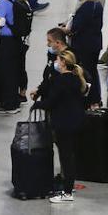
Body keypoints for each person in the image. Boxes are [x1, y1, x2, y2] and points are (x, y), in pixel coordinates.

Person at [34, 50, 88, 203]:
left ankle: (67, 192)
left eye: (58, 59)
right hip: (76, 121)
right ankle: (69, 188)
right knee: (70, 155)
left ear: (63, 62)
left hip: (64, 122)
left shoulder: (61, 81)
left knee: (66, 157)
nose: (56, 62)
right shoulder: (77, 79)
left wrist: (38, 104)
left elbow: (52, 102)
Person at [67, 0, 104, 105]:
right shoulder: (96, 4)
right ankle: (96, 99)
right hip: (94, 43)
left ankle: (89, 99)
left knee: (86, 72)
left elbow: (77, 26)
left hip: (84, 45)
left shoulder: (86, 6)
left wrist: (66, 29)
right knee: (93, 71)